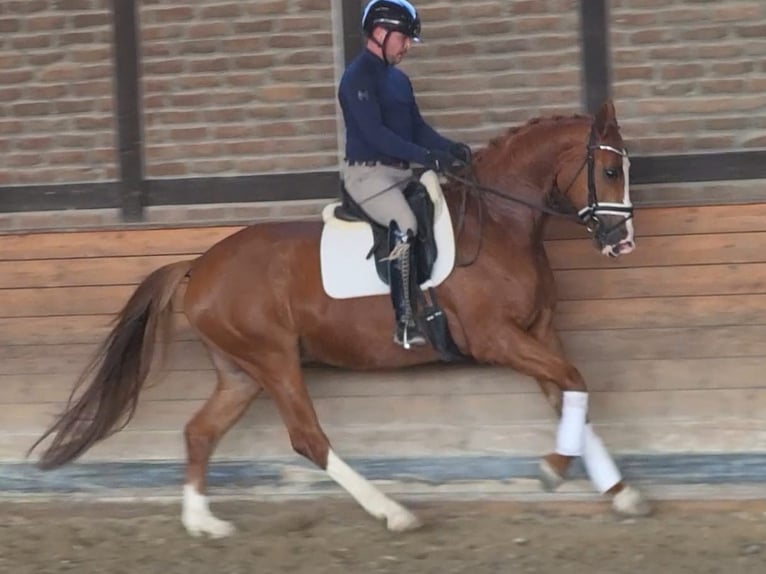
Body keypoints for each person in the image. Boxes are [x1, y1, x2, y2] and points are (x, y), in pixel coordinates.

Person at [338, 0, 471, 350]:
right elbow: (375, 136)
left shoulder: (399, 80)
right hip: (368, 177)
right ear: (380, 33)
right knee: (406, 222)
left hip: (400, 172)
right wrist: (426, 157)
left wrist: (449, 148)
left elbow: (416, 129)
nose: (408, 46)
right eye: (404, 38)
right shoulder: (356, 78)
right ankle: (405, 319)